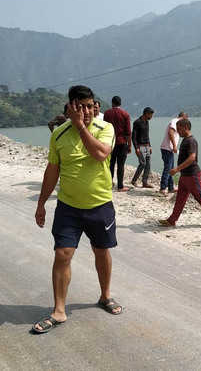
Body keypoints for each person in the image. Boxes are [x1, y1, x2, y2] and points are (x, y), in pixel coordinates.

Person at [33, 85, 122, 334]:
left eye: (90, 105)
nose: (87, 110)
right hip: (68, 207)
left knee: (102, 251)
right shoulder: (59, 135)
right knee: (62, 254)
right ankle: (59, 310)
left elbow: (101, 154)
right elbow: (52, 171)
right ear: (71, 106)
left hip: (100, 204)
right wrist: (41, 204)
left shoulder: (106, 128)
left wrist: (81, 126)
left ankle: (105, 296)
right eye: (81, 106)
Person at [158, 118, 201, 228]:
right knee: (180, 199)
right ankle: (172, 220)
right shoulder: (186, 139)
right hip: (185, 175)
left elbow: (192, 158)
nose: (177, 131)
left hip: (192, 175)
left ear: (186, 127)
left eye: (179, 129)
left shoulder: (191, 141)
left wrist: (177, 169)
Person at [104, 96, 131, 192]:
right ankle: (120, 186)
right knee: (121, 165)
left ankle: (109, 184)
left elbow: (104, 128)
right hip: (122, 142)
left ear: (112, 103)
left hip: (110, 142)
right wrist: (130, 145)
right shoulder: (125, 114)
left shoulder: (107, 113)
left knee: (110, 164)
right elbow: (128, 132)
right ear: (120, 103)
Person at [159, 112, 188, 195]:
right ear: (183, 117)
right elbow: (170, 132)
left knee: (170, 168)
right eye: (186, 119)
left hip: (169, 149)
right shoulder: (175, 121)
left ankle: (170, 187)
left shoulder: (175, 121)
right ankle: (162, 188)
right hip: (167, 148)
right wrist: (175, 146)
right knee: (168, 168)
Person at [131, 107, 155, 188]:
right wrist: (136, 148)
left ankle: (145, 182)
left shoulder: (147, 122)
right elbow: (133, 137)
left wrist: (150, 146)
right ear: (146, 113)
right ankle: (134, 180)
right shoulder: (137, 122)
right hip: (140, 146)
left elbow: (147, 135)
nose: (151, 117)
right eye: (151, 115)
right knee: (142, 163)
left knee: (148, 164)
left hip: (147, 146)